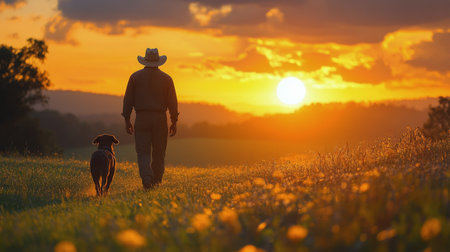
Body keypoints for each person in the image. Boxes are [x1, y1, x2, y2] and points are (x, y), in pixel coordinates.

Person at [122, 48, 179, 190]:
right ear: (158, 61)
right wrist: (174, 121)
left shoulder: (135, 77)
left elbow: (128, 100)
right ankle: (157, 181)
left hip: (141, 117)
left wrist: (127, 120)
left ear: (145, 60)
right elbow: (173, 102)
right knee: (159, 152)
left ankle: (147, 179)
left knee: (143, 151)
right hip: (160, 118)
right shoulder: (167, 79)